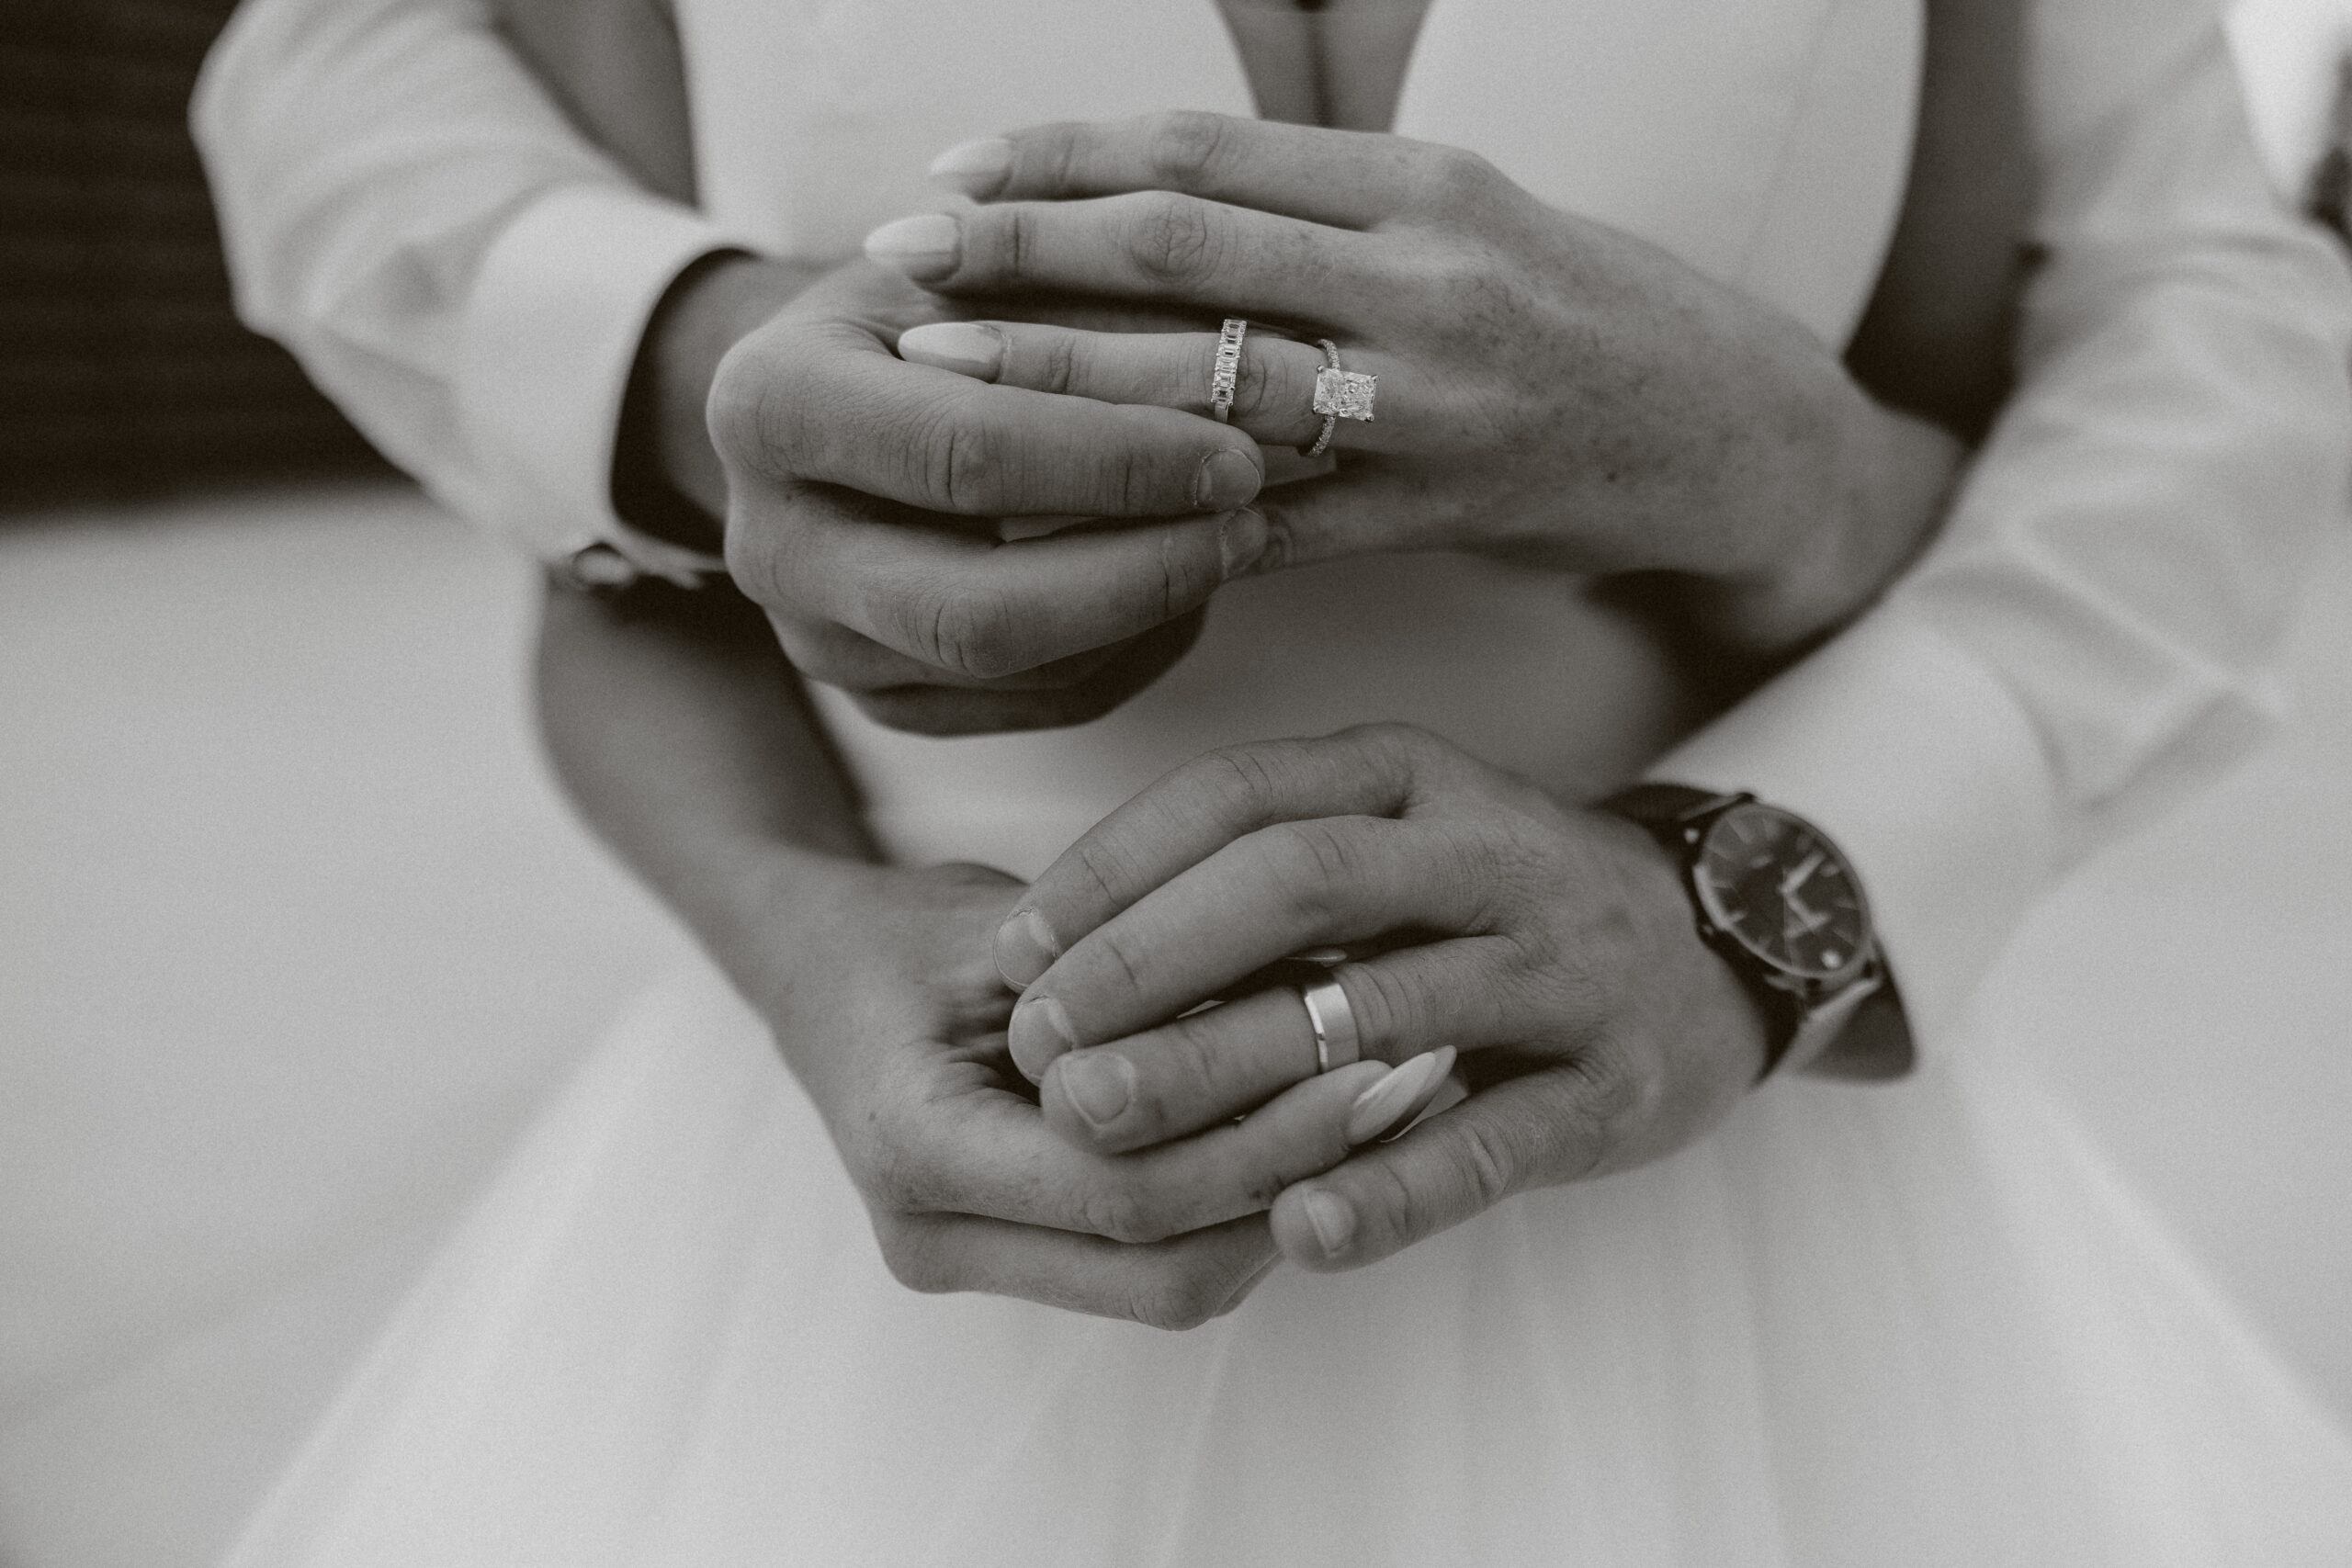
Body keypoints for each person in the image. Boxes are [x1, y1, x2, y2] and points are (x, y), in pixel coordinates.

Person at [191, 0, 2352, 1561]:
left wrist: (1764, 860)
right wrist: (686, 371)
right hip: (899, 1131)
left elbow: (2208, 314)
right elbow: (373, 167)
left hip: (1730, 1159)